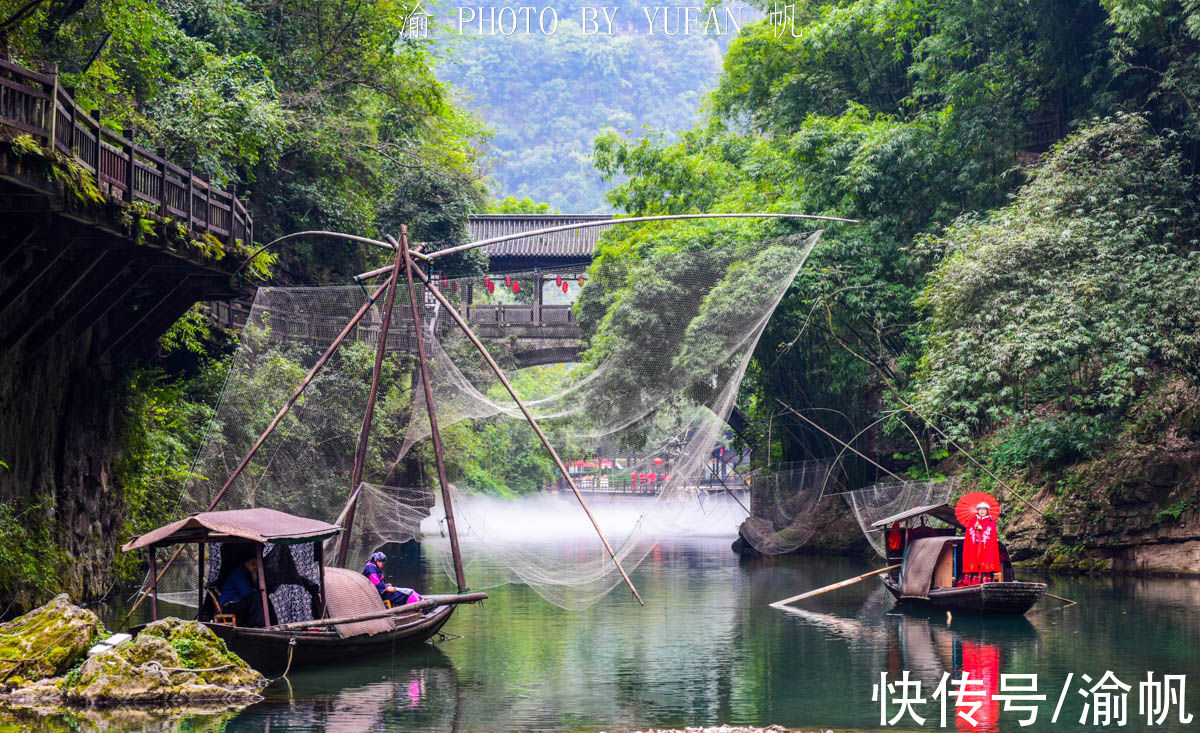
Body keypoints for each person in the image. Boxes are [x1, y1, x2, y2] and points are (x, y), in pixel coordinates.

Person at [218, 553, 270, 626]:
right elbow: (247, 592)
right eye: (255, 566)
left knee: (261, 596)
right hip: (229, 606)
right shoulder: (239, 573)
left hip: (237, 602)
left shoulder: (245, 572)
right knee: (258, 597)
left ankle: (262, 623)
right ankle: (258, 624)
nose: (256, 569)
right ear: (250, 564)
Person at [962, 502, 1001, 585]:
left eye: (984, 509)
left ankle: (985, 582)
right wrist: (975, 529)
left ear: (987, 511)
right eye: (980, 509)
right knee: (974, 562)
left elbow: (992, 535)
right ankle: (972, 582)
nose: (982, 511)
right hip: (974, 547)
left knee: (984, 563)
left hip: (985, 548)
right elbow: (968, 534)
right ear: (977, 510)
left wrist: (982, 529)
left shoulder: (991, 521)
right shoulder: (973, 520)